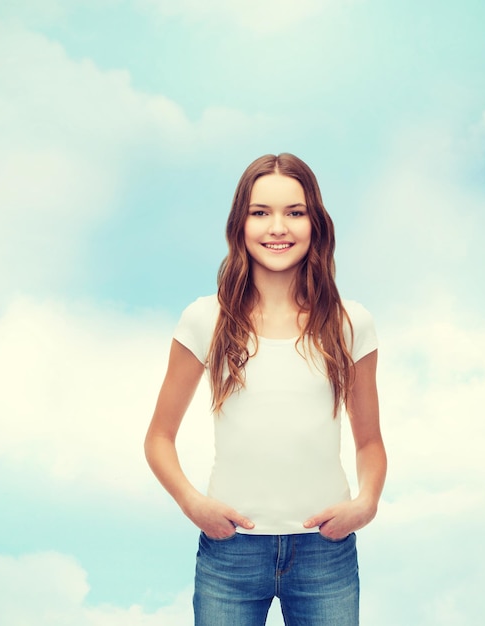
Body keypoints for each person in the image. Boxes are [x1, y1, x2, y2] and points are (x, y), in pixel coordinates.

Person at [144, 153, 386, 626]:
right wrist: (193, 504)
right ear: (240, 224)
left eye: (294, 212)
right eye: (261, 213)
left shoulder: (351, 323)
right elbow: (158, 437)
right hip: (230, 554)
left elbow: (370, 441)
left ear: (315, 223)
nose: (278, 227)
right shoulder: (205, 319)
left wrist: (367, 504)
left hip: (326, 554)